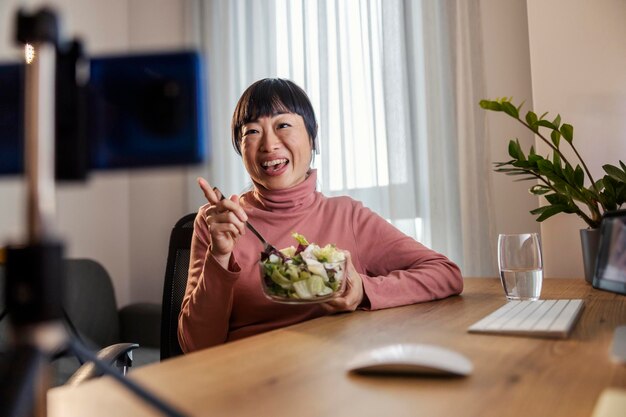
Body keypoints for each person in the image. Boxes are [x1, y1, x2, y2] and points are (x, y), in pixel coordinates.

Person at [178, 78, 463, 352]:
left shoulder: (347, 215)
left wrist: (362, 289)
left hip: (331, 377)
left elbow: (445, 274)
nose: (268, 145)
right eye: (251, 131)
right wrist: (219, 256)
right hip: (246, 380)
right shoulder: (217, 221)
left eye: (283, 125)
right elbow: (196, 345)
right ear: (240, 149)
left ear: (312, 138)